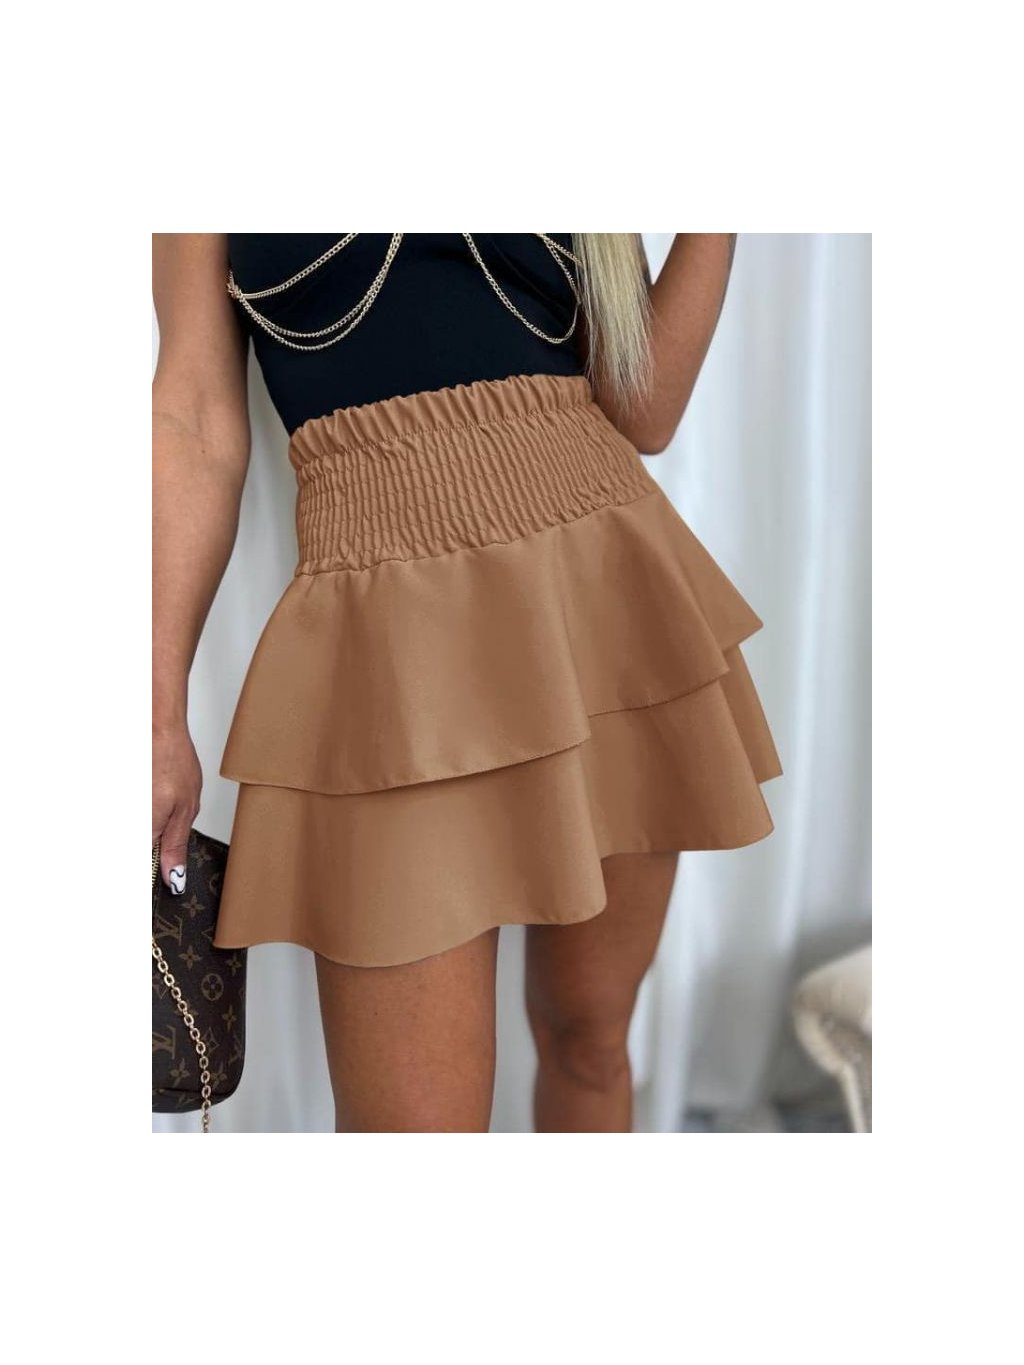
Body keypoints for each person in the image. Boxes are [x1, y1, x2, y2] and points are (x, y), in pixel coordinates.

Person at [152, 233, 781, 1133]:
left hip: (596, 584)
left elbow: (644, 411)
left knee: (589, 1039)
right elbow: (192, 415)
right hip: (383, 632)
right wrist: (155, 705)